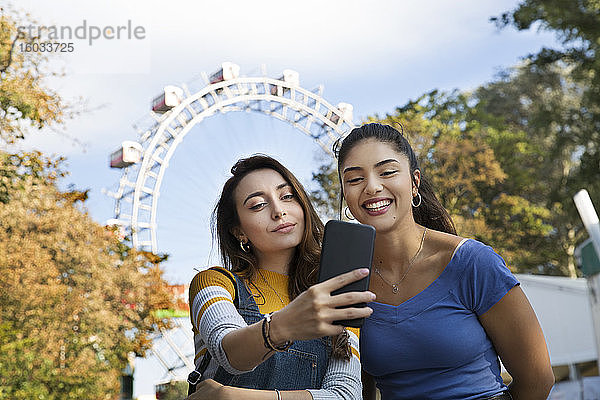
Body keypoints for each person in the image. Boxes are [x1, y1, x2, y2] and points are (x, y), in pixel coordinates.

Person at [334, 123, 555, 400]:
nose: (372, 187)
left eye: (387, 172)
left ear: (414, 183)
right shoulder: (347, 280)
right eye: (355, 179)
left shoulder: (473, 263)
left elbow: (538, 381)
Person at [186, 155, 374, 400]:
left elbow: (346, 395)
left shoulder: (338, 294)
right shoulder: (213, 283)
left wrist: (235, 397)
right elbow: (230, 353)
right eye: (257, 205)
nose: (279, 211)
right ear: (239, 231)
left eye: (287, 197)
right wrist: (285, 325)